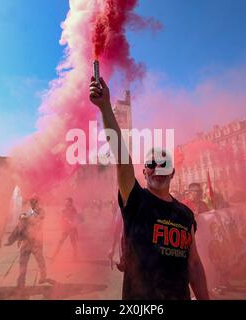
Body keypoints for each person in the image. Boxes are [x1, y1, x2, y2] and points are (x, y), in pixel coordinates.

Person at [89, 76, 209, 300]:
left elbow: (193, 263)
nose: (157, 169)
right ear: (143, 172)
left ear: (173, 172)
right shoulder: (136, 200)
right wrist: (105, 106)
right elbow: (122, 157)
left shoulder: (185, 214)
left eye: (164, 165)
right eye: (150, 165)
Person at [6, 197, 48, 288]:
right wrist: (14, 239)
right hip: (26, 241)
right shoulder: (27, 212)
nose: (32, 205)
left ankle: (43, 275)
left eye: (34, 203)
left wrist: (26, 217)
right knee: (23, 261)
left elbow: (39, 219)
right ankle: (21, 280)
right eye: (31, 203)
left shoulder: (40, 211)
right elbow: (20, 227)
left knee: (39, 259)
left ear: (37, 203)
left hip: (36, 241)